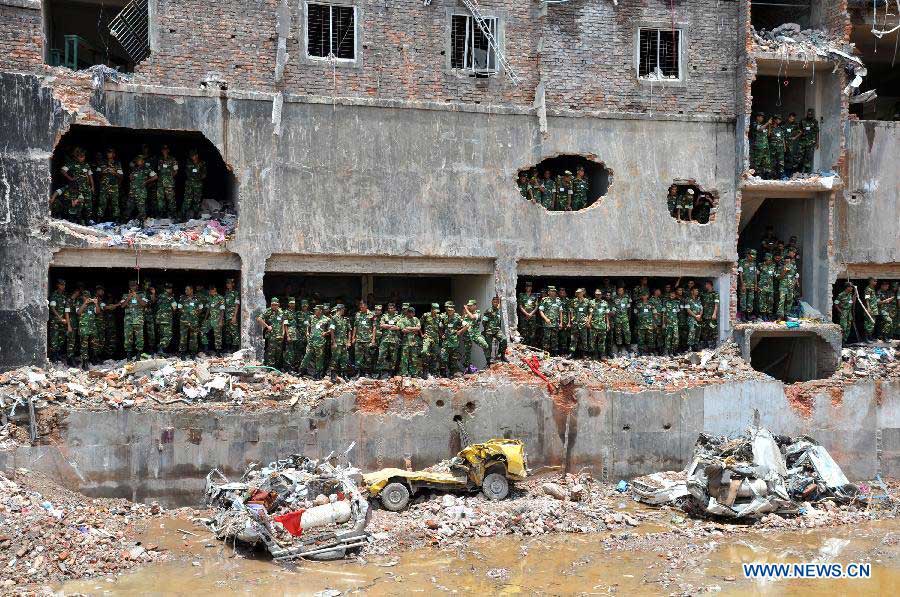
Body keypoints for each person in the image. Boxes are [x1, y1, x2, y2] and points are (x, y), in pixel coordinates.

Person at [61, 147, 94, 223]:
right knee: (79, 205)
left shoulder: (86, 165)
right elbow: (62, 170)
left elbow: (90, 176)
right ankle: (79, 221)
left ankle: (88, 220)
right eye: (80, 156)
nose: (82, 158)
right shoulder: (72, 164)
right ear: (77, 157)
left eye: (83, 156)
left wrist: (92, 187)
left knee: (88, 205)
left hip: (87, 188)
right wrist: (70, 178)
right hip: (77, 189)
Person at [119, 280, 147, 359]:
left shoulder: (142, 295)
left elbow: (144, 304)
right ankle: (129, 356)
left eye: (134, 286)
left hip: (138, 319)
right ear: (129, 287)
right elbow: (122, 306)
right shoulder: (125, 295)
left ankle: (138, 354)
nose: (133, 287)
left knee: (139, 338)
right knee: (128, 338)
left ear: (137, 286)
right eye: (131, 286)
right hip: (128, 320)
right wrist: (128, 297)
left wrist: (137, 296)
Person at [95, 148, 123, 222]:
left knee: (115, 203)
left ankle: (116, 219)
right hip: (104, 186)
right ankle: (99, 218)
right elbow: (96, 175)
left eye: (110, 152)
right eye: (108, 152)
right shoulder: (101, 163)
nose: (109, 154)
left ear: (114, 154)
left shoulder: (117, 163)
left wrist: (114, 172)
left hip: (114, 186)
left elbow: (121, 176)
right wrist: (102, 172)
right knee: (102, 202)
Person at [257, 297, 286, 368]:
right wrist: (267, 326)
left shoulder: (281, 312)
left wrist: (283, 333)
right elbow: (259, 319)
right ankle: (271, 368)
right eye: (272, 305)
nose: (274, 306)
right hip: (271, 336)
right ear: (271, 305)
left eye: (275, 305)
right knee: (271, 352)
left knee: (279, 352)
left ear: (278, 304)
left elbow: (283, 323)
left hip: (279, 336)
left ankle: (277, 368)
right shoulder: (268, 311)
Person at [461, 299, 489, 371]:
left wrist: (466, 310)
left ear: (475, 306)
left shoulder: (478, 313)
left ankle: (488, 361)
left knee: (485, 345)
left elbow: (473, 318)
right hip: (467, 336)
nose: (469, 307)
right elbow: (461, 321)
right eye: (468, 306)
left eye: (471, 306)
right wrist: (464, 312)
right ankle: (468, 366)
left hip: (475, 335)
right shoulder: (466, 313)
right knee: (467, 352)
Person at [76, 290, 101, 369]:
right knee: (84, 346)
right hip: (84, 328)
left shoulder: (92, 304)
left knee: (95, 345)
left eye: (88, 297)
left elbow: (98, 312)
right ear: (82, 297)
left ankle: (94, 359)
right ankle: (85, 362)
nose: (86, 298)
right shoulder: (79, 303)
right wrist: (85, 303)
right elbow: (78, 312)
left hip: (92, 328)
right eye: (85, 296)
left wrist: (96, 303)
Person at [128, 155, 157, 222]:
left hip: (141, 191)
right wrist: (131, 177)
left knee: (141, 207)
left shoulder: (148, 169)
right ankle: (128, 220)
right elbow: (131, 178)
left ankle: (143, 221)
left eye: (139, 160)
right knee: (129, 206)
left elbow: (155, 177)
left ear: (143, 161)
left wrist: (146, 182)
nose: (138, 161)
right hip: (132, 191)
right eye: (137, 160)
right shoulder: (134, 169)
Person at [352, 300, 378, 377]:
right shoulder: (357, 314)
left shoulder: (371, 314)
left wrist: (373, 339)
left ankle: (367, 372)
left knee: (368, 357)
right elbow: (355, 326)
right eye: (360, 307)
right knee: (358, 357)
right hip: (359, 339)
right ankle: (358, 372)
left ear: (366, 306)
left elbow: (374, 327)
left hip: (367, 339)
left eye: (363, 307)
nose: (361, 308)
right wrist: (353, 337)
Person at [440, 302, 466, 376]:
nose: (450, 312)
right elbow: (440, 327)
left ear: (454, 310)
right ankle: (443, 373)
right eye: (448, 310)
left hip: (454, 343)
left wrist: (460, 331)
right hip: (445, 342)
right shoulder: (444, 318)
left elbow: (466, 325)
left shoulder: (457, 317)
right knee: (443, 357)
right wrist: (441, 334)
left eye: (451, 310)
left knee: (453, 359)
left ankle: (453, 373)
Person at [377, 303, 402, 378]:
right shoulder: (385, 316)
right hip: (385, 339)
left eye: (392, 308)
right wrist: (391, 326)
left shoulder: (398, 317)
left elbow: (399, 327)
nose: (390, 309)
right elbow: (381, 325)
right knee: (381, 355)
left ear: (394, 309)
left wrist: (387, 326)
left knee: (393, 357)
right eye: (389, 308)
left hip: (394, 340)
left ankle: (391, 373)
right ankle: (381, 372)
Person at [328, 304, 352, 380]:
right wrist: (334, 342)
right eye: (343, 309)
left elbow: (348, 330)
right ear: (340, 309)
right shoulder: (334, 318)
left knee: (344, 358)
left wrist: (348, 341)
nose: (344, 311)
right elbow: (332, 331)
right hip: (337, 342)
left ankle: (344, 374)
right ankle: (333, 375)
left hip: (343, 342)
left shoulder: (344, 319)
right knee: (335, 358)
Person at [397, 306, 423, 378]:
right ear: (407, 312)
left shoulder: (416, 319)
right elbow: (403, 330)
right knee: (404, 358)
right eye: (409, 312)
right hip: (405, 342)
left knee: (414, 359)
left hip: (414, 342)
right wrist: (413, 330)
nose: (411, 314)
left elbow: (418, 328)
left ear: (414, 313)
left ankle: (414, 373)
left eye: (412, 312)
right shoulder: (402, 320)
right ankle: (404, 372)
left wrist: (408, 328)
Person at [482, 296, 508, 364]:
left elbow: (498, 306)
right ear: (492, 302)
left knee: (504, 339)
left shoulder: (497, 310)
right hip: (489, 331)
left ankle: (502, 355)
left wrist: (500, 298)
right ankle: (488, 360)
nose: (495, 303)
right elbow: (484, 321)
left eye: (497, 302)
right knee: (488, 346)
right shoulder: (488, 311)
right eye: (494, 302)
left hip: (497, 330)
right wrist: (486, 330)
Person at [178, 285, 202, 356]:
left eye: (187, 290)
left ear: (191, 290)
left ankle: (193, 353)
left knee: (194, 337)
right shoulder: (182, 298)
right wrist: (186, 313)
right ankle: (182, 353)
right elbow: (179, 308)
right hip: (184, 321)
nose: (186, 291)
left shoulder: (197, 298)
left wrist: (194, 314)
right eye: (185, 290)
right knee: (183, 337)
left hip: (194, 321)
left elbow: (200, 308)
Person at [48, 279, 69, 361]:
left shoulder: (64, 296)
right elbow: (52, 308)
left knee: (61, 338)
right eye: (61, 285)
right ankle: (54, 357)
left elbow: (66, 309)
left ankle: (58, 354)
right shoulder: (54, 295)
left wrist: (65, 320)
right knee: (54, 338)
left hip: (62, 321)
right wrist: (60, 318)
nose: (63, 286)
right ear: (58, 285)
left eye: (64, 285)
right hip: (55, 321)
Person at [155, 144, 179, 217]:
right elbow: (159, 170)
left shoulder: (173, 159)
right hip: (160, 183)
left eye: (166, 149)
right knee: (160, 200)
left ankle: (173, 214)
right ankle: (161, 214)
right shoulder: (160, 160)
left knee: (171, 199)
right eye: (163, 149)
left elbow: (176, 171)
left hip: (169, 184)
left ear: (168, 150)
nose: (164, 151)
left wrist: (169, 178)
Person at [538, 286, 563, 355]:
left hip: (555, 323)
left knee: (555, 338)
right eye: (551, 291)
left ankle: (554, 353)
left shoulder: (558, 300)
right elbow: (540, 311)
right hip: (547, 323)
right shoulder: (544, 300)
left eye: (554, 291)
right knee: (546, 338)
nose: (553, 292)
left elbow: (560, 312)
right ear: (548, 292)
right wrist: (546, 319)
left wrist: (561, 322)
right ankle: (546, 352)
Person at [183, 149, 207, 219]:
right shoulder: (188, 163)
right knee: (187, 200)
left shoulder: (202, 163)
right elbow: (186, 172)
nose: (192, 157)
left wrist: (198, 177)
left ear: (196, 155)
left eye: (193, 155)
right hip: (189, 185)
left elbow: (204, 174)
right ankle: (183, 216)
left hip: (198, 185)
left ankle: (195, 216)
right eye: (191, 156)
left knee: (197, 200)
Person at [201, 285, 225, 354]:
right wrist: (205, 319)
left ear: (214, 290)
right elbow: (208, 308)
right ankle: (206, 349)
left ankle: (218, 351)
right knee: (203, 331)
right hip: (210, 319)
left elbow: (222, 310)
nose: (210, 292)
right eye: (210, 290)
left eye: (211, 290)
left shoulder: (220, 298)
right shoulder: (210, 298)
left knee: (217, 335)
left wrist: (220, 321)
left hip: (217, 319)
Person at [587, 289, 610, 359]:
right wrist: (588, 322)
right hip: (593, 325)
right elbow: (590, 313)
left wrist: (608, 324)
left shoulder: (605, 303)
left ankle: (602, 355)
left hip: (602, 325)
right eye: (597, 294)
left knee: (602, 341)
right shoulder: (591, 302)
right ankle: (594, 354)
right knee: (592, 341)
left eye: (599, 294)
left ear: (601, 295)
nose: (598, 295)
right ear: (595, 294)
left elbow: (606, 315)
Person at [568, 289, 591, 358]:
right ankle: (572, 353)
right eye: (577, 293)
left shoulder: (587, 301)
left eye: (580, 293)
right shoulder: (573, 301)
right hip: (575, 323)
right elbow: (570, 310)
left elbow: (590, 312)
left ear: (583, 293)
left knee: (584, 339)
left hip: (583, 323)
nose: (578, 294)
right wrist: (572, 318)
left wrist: (588, 322)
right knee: (573, 339)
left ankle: (584, 354)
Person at [156, 282, 177, 355]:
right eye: (170, 288)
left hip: (159, 319)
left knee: (162, 335)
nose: (170, 290)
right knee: (168, 335)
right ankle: (161, 349)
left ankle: (161, 350)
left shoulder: (159, 296)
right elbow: (174, 308)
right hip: (167, 319)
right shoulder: (171, 297)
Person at [737, 249, 758, 321]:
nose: (752, 258)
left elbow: (755, 274)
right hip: (744, 285)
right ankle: (743, 316)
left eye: (754, 256)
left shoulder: (754, 263)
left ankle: (748, 315)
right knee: (743, 300)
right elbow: (740, 274)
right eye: (751, 256)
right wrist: (742, 284)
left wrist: (755, 284)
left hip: (751, 285)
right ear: (748, 255)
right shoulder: (742, 262)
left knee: (750, 300)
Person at [750, 112, 772, 178]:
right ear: (757, 117)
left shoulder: (764, 125)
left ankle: (766, 176)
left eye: (762, 117)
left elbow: (768, 134)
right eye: (760, 117)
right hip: (758, 147)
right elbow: (760, 129)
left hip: (765, 147)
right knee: (757, 162)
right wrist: (768, 123)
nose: (761, 118)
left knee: (766, 162)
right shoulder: (754, 124)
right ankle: (756, 175)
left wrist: (769, 125)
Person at [610, 285, 632, 353]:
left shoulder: (626, 298)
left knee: (627, 332)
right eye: (619, 290)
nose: (620, 292)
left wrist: (629, 316)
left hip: (625, 318)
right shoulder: (614, 298)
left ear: (623, 291)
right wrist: (613, 313)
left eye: (621, 290)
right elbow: (613, 307)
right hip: (617, 318)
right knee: (618, 333)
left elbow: (629, 308)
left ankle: (628, 346)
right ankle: (619, 346)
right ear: (617, 291)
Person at [798, 108, 819, 174]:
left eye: (811, 114)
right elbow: (799, 131)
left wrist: (817, 142)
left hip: (811, 142)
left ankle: (807, 172)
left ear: (812, 114)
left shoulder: (815, 121)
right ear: (807, 113)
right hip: (802, 142)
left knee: (809, 157)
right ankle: (800, 171)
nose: (809, 114)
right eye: (808, 113)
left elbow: (817, 132)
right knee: (800, 156)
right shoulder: (802, 121)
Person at [223, 278, 241, 351]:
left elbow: (237, 304)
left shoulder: (235, 293)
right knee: (227, 331)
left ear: (233, 284)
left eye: (229, 283)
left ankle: (235, 348)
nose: (228, 284)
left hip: (232, 315)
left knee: (234, 332)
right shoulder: (226, 293)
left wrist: (234, 316)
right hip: (226, 315)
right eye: (227, 283)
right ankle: (228, 347)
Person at [662, 290, 681, 356]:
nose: (672, 295)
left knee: (676, 337)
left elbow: (678, 313)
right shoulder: (666, 302)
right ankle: (668, 351)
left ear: (675, 295)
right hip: (668, 323)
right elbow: (664, 314)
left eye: (673, 294)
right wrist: (663, 323)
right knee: (668, 337)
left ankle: (674, 350)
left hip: (675, 323)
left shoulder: (677, 302)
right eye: (671, 294)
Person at [757, 253, 775, 321]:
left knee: (770, 301)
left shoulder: (773, 266)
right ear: (765, 259)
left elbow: (774, 275)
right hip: (762, 287)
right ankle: (763, 315)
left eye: (770, 260)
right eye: (768, 260)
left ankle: (769, 315)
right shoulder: (760, 265)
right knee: (762, 301)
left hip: (770, 287)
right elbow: (757, 275)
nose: (769, 261)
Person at [700, 281, 719, 348]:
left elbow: (716, 305)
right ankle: (706, 344)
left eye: (706, 284)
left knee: (713, 329)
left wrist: (714, 314)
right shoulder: (704, 294)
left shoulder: (715, 294)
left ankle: (714, 344)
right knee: (705, 330)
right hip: (705, 315)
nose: (705, 285)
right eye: (706, 284)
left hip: (711, 315)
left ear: (710, 285)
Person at [685, 288, 703, 352]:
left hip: (698, 318)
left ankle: (696, 345)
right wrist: (695, 316)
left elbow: (701, 308)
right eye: (696, 290)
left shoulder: (698, 300)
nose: (697, 291)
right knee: (692, 331)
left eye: (697, 290)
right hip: (691, 318)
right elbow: (688, 310)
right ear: (692, 292)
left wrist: (700, 316)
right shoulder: (688, 299)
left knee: (698, 331)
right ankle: (690, 346)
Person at [783, 112, 801, 177]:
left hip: (791, 145)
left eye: (793, 119)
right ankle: (784, 173)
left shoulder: (795, 124)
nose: (792, 120)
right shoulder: (784, 124)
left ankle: (790, 174)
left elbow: (800, 132)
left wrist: (795, 137)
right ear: (789, 117)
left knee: (791, 159)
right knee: (784, 158)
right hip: (784, 143)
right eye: (791, 118)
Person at [862, 278, 879, 343]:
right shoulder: (868, 289)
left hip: (874, 309)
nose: (876, 282)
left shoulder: (873, 289)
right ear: (870, 281)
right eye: (874, 281)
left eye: (876, 281)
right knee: (868, 324)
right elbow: (867, 299)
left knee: (872, 324)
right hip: (870, 309)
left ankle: (870, 337)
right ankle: (866, 338)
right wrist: (868, 308)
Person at [769, 114, 786, 179]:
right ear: (775, 120)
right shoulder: (770, 127)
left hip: (780, 148)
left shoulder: (780, 128)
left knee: (781, 162)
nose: (779, 120)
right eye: (778, 119)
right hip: (773, 148)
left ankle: (781, 175)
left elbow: (783, 138)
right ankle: (773, 176)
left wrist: (784, 147)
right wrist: (769, 125)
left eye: (780, 119)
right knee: (773, 162)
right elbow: (769, 135)